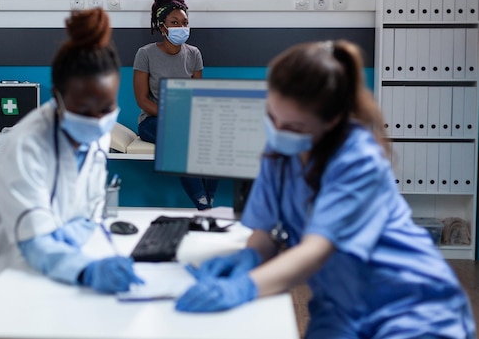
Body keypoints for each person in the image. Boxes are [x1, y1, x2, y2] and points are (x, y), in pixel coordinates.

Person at [175, 40, 475, 338]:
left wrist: (245, 286)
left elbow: (316, 251)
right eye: (271, 117)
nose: (278, 132)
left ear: (332, 121)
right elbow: (264, 236)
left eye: (294, 127)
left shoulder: (358, 158)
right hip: (340, 304)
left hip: (411, 306)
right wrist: (249, 258)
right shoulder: (278, 154)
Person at [0, 8, 143, 314]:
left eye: (106, 108)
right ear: (58, 97)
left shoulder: (98, 134)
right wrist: (86, 270)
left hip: (49, 274)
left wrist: (74, 234)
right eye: (83, 109)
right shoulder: (25, 145)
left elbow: (87, 212)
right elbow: (35, 244)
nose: (96, 120)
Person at [132, 0, 218, 210]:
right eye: (175, 22)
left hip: (185, 119)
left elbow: (197, 96)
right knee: (180, 141)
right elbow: (142, 100)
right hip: (153, 120)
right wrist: (173, 116)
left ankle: (209, 199)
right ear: (162, 27)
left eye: (185, 22)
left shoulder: (194, 54)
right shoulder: (146, 54)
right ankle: (204, 207)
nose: (182, 27)